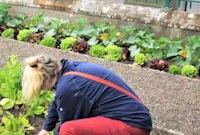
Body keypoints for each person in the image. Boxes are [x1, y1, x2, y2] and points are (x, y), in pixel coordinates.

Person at [21, 55, 152, 135]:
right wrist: (45, 129)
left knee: (69, 130)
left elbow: (68, 126)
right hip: (135, 119)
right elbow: (57, 101)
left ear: (46, 80)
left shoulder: (69, 87)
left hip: (132, 127)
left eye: (41, 88)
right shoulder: (70, 70)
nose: (44, 90)